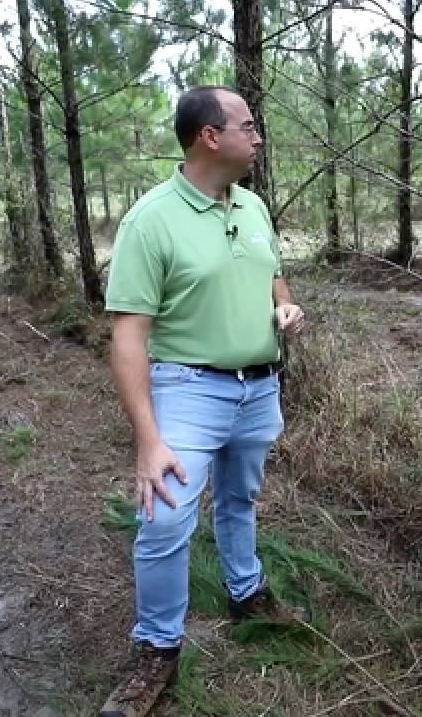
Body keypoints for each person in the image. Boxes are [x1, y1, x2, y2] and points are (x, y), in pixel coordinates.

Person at [99, 85, 305, 717]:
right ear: (210, 136)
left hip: (259, 387)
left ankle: (244, 592)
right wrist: (148, 438)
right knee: (161, 517)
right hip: (188, 389)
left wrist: (283, 305)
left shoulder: (254, 206)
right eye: (249, 125)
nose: (259, 135)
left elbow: (270, 273)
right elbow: (128, 334)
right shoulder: (151, 219)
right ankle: (158, 650)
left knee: (240, 498)